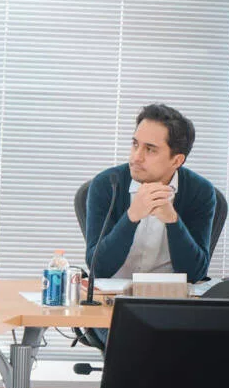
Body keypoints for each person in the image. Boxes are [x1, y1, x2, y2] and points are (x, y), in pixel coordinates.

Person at [85, 104, 216, 344]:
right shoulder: (107, 185)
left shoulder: (200, 192)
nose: (136, 157)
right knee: (133, 343)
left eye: (150, 149)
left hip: (171, 305)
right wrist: (131, 217)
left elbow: (196, 273)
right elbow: (99, 267)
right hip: (112, 304)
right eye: (135, 144)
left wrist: (173, 221)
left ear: (176, 160)